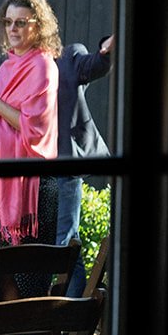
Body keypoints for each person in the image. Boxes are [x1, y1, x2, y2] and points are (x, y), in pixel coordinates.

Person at [0, 0, 62, 335]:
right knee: (6, 271)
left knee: (32, 274)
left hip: (34, 186)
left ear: (37, 26)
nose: (12, 29)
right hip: (7, 187)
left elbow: (33, 129)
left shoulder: (43, 66)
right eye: (7, 22)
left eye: (20, 23)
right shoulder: (8, 66)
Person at [56, 32, 114, 296]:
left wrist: (108, 48)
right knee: (49, 245)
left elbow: (96, 65)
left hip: (65, 166)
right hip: (31, 170)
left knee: (65, 243)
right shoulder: (18, 66)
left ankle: (71, 322)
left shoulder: (69, 56)